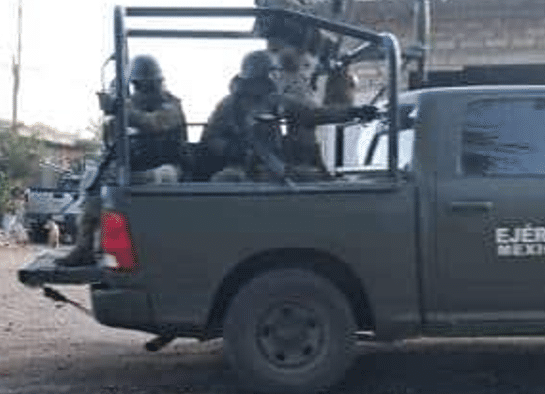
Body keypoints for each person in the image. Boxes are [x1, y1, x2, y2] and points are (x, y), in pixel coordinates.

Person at [56, 55, 187, 267]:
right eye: (140, 86)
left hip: (171, 167)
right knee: (96, 185)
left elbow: (153, 124)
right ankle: (84, 247)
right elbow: (112, 140)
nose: (145, 91)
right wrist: (113, 116)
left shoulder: (171, 105)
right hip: (138, 165)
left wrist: (119, 108)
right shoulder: (132, 105)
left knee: (154, 176)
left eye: (150, 85)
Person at [200, 50, 378, 183]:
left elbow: (314, 114)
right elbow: (210, 138)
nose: (273, 79)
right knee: (226, 180)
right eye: (269, 74)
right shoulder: (229, 106)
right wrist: (235, 149)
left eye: (273, 74)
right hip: (243, 167)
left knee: (316, 180)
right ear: (257, 77)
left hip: (280, 167)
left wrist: (354, 112)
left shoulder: (278, 101)